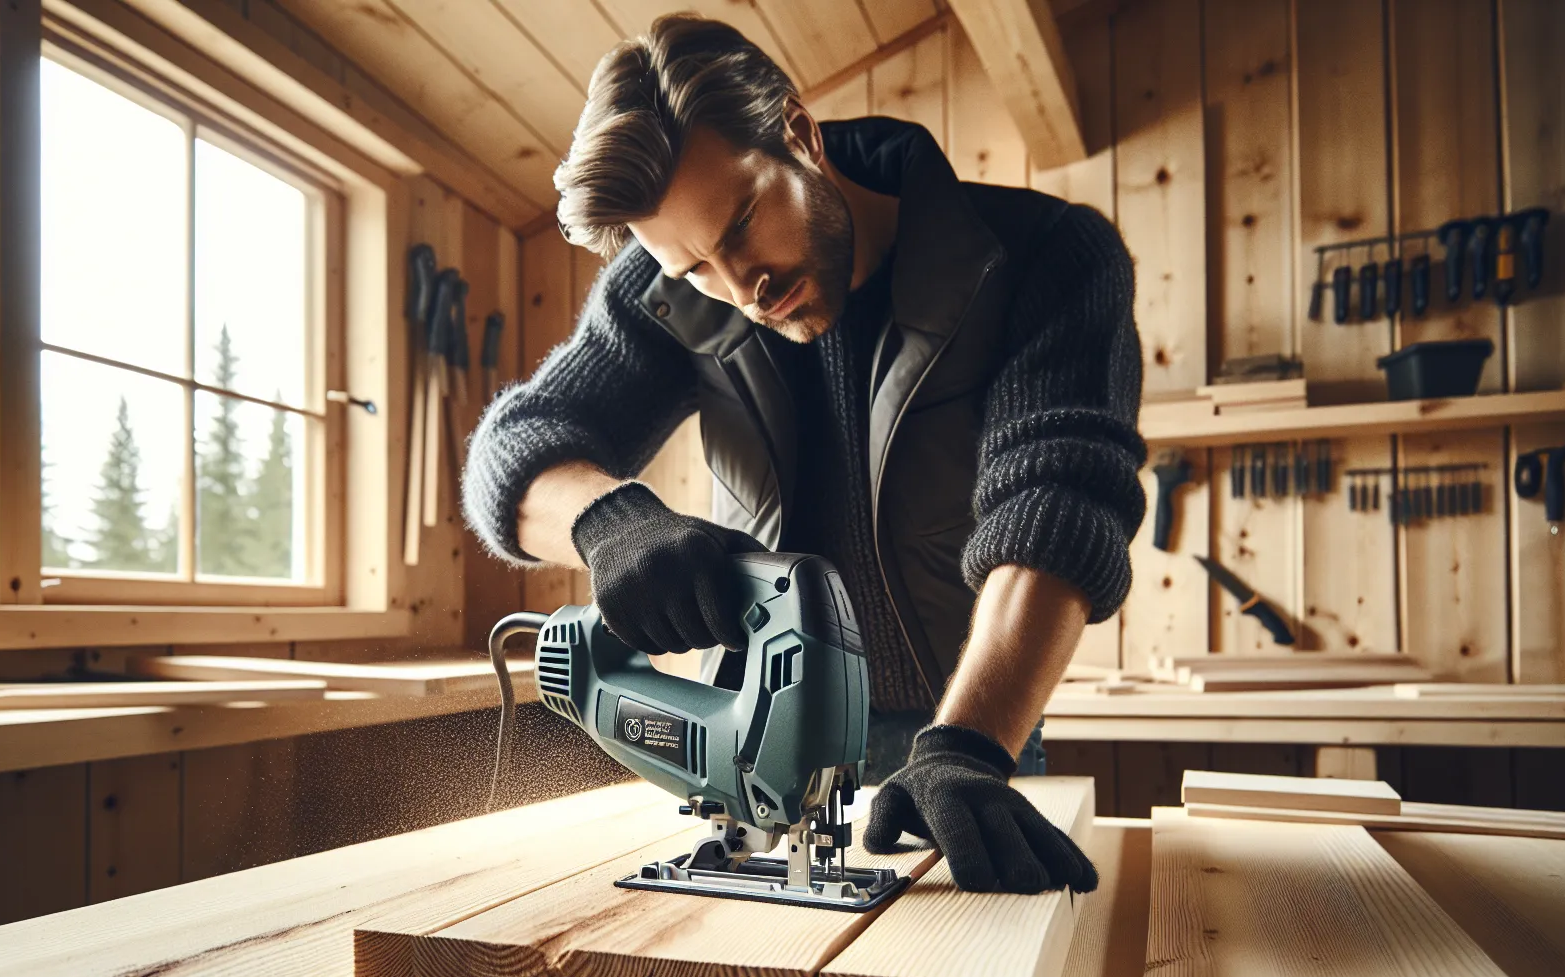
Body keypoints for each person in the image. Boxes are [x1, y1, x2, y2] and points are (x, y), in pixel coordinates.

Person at [463, 14, 1145, 895]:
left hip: (964, 719)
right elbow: (512, 447)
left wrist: (970, 747)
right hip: (752, 722)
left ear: (797, 132)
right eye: (697, 268)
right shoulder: (669, 286)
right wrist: (608, 522)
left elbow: (1056, 507)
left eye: (744, 222)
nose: (742, 287)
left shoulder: (1040, 254)